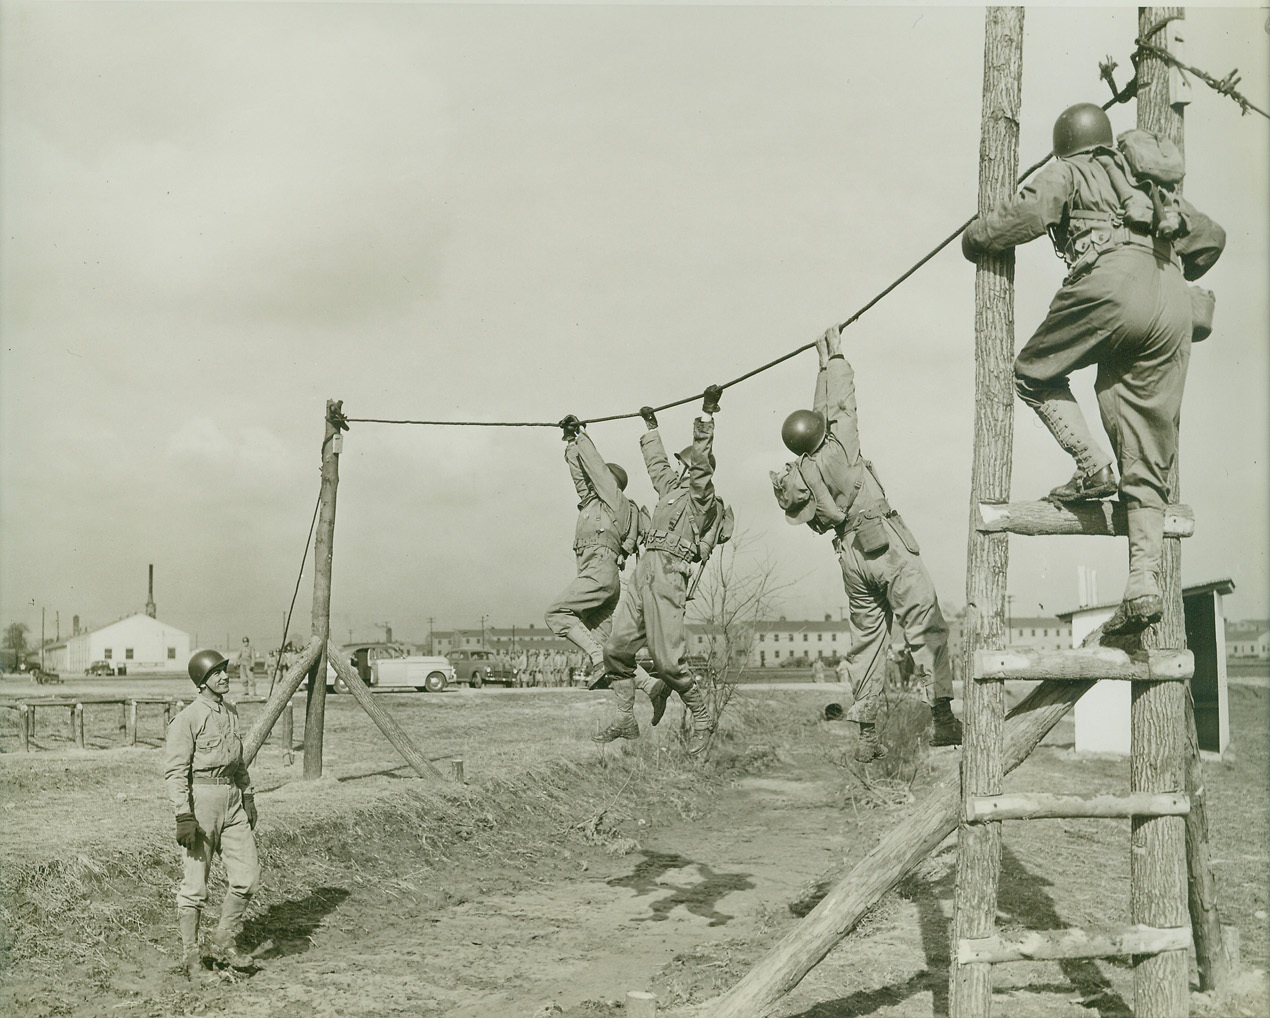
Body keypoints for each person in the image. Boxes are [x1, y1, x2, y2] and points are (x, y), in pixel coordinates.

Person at [961, 103, 1225, 635]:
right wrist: (1168, 268)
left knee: (1034, 372)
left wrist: (975, 236)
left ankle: (1091, 466)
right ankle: (1143, 580)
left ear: (1066, 142)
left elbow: (1025, 218)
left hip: (1110, 284)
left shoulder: (1069, 169)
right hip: (1173, 301)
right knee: (1148, 453)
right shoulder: (1148, 182)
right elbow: (1211, 237)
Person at [772, 327, 961, 762]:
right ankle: (944, 719)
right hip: (883, 545)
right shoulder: (841, 452)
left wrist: (821, 366)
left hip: (850, 557)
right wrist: (838, 358)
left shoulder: (804, 468)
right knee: (924, 624)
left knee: (867, 643)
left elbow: (819, 416)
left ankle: (867, 736)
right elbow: (841, 407)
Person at [601, 387, 730, 756]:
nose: (682, 468)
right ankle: (626, 717)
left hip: (670, 573)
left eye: (687, 466)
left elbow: (702, 462)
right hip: (645, 570)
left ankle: (702, 717)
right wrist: (650, 427)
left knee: (667, 660)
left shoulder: (702, 500)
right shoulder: (671, 490)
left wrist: (706, 415)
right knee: (615, 648)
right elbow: (657, 466)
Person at [545, 417, 670, 733]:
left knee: (557, 614)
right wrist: (571, 443)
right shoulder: (592, 505)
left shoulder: (615, 502)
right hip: (599, 577)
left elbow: (596, 470)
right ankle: (651, 687)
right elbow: (581, 477)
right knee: (611, 654)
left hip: (599, 572)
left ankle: (595, 658)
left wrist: (583, 437)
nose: (590, 485)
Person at [164, 649, 260, 979]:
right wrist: (183, 814)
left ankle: (224, 939)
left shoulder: (231, 712)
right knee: (195, 886)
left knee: (248, 878)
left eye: (225, 670)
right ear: (202, 682)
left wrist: (247, 796)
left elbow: (239, 761)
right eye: (217, 673)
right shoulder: (188, 718)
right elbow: (176, 771)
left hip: (232, 799)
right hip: (201, 801)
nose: (225, 676)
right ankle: (191, 956)